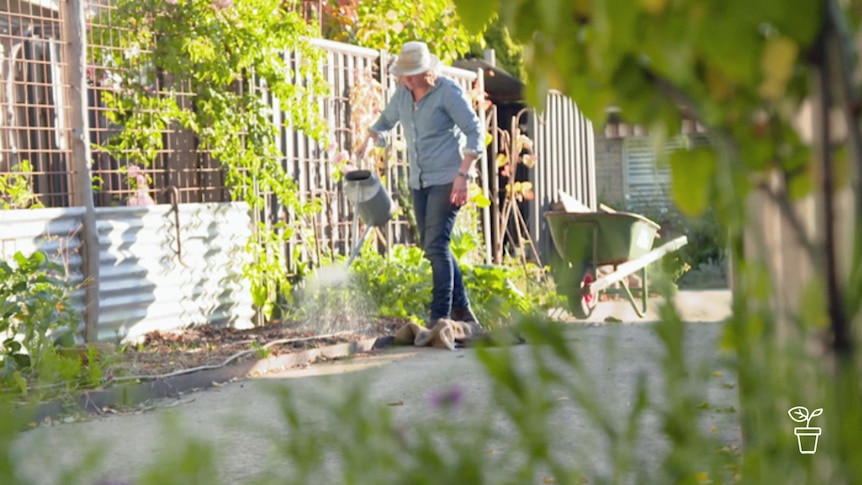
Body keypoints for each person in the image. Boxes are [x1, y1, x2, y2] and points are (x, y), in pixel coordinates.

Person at [355, 41, 483, 329]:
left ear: (427, 71)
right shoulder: (402, 94)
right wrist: (371, 138)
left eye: (412, 73)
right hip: (420, 181)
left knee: (436, 246)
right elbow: (387, 119)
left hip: (448, 179)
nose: (406, 78)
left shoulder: (447, 93)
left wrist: (464, 175)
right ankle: (462, 309)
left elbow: (474, 130)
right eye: (404, 73)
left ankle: (441, 316)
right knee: (434, 245)